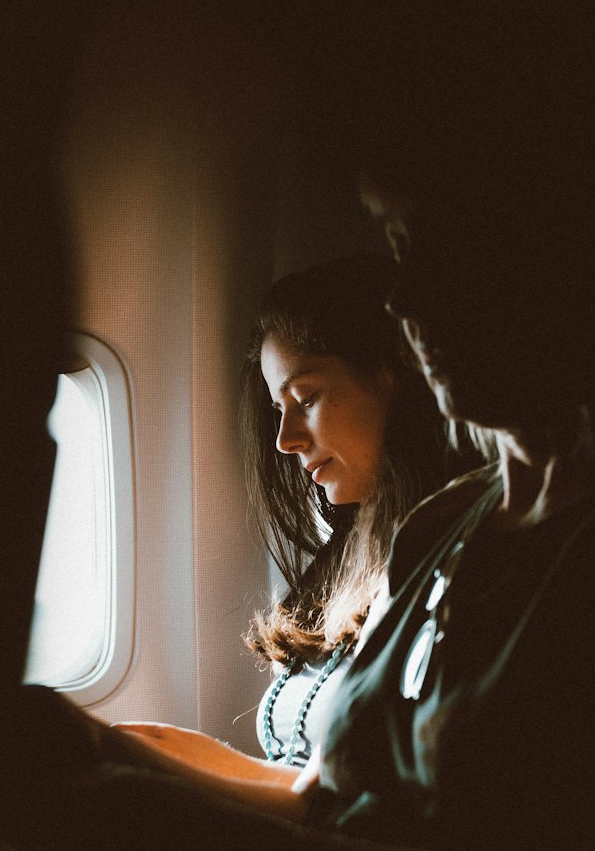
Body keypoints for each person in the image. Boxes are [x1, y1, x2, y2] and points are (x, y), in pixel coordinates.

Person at [107, 254, 459, 813]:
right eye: (278, 410)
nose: (285, 439)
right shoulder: (353, 550)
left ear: (389, 377)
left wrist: (146, 778)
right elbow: (291, 777)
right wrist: (142, 748)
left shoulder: (441, 548)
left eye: (306, 400)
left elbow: (321, 806)